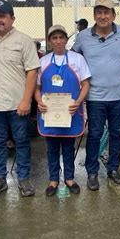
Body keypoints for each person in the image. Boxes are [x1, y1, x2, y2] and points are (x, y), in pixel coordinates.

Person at [72, 0, 120, 191]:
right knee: (95, 134)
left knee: (116, 133)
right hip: (95, 97)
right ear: (94, 15)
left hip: (118, 94)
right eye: (99, 12)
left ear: (113, 14)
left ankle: (113, 169)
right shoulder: (83, 36)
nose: (102, 16)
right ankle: (92, 172)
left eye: (106, 12)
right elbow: (75, 60)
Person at [0, 0, 40, 200]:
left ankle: (23, 178)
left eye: (2, 16)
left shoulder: (24, 41)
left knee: (22, 141)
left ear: (12, 18)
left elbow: (32, 72)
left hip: (17, 103)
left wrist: (26, 101)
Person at [35, 25, 91, 197]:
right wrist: (39, 101)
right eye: (54, 38)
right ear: (50, 41)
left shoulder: (77, 59)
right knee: (51, 148)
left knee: (68, 147)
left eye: (61, 37)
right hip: (50, 113)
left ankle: (69, 178)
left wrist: (79, 102)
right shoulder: (43, 61)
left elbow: (86, 84)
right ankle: (53, 180)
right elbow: (37, 87)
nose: (58, 41)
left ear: (66, 40)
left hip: (70, 112)